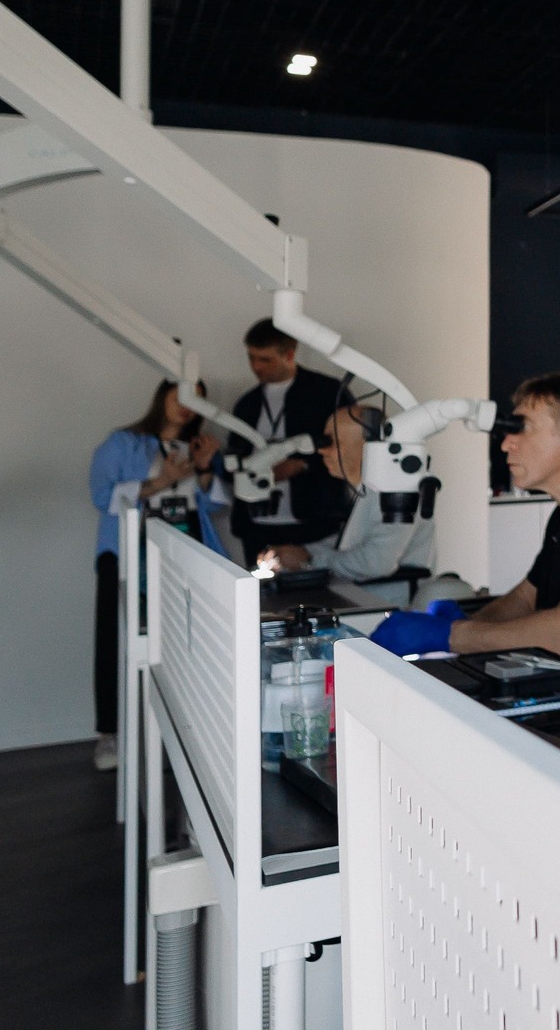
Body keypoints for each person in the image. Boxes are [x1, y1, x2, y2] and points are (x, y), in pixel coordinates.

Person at [370, 372, 560, 672]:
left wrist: (451, 636)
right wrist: (468, 621)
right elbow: (526, 598)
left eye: (523, 428)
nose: (506, 444)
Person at [88, 381, 229, 770]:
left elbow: (215, 504)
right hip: (126, 553)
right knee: (116, 640)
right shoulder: (123, 443)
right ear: (162, 395)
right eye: (178, 396)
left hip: (187, 552)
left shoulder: (197, 445)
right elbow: (102, 496)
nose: (186, 406)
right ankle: (110, 734)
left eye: (195, 399)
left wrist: (205, 468)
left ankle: (186, 730)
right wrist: (161, 481)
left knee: (189, 641)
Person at [264, 406, 436, 593]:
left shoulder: (396, 491)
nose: (322, 451)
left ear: (369, 446)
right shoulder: (366, 488)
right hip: (355, 593)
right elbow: (351, 543)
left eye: (332, 442)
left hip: (384, 600)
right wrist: (299, 552)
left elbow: (376, 563)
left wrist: (310, 560)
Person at [228, 318, 349, 563]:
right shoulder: (247, 403)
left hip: (315, 522)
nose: (255, 366)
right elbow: (235, 454)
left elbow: (349, 448)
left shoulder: (328, 393)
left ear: (290, 355)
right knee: (255, 587)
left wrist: (301, 465)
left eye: (265, 359)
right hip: (256, 524)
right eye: (251, 358)